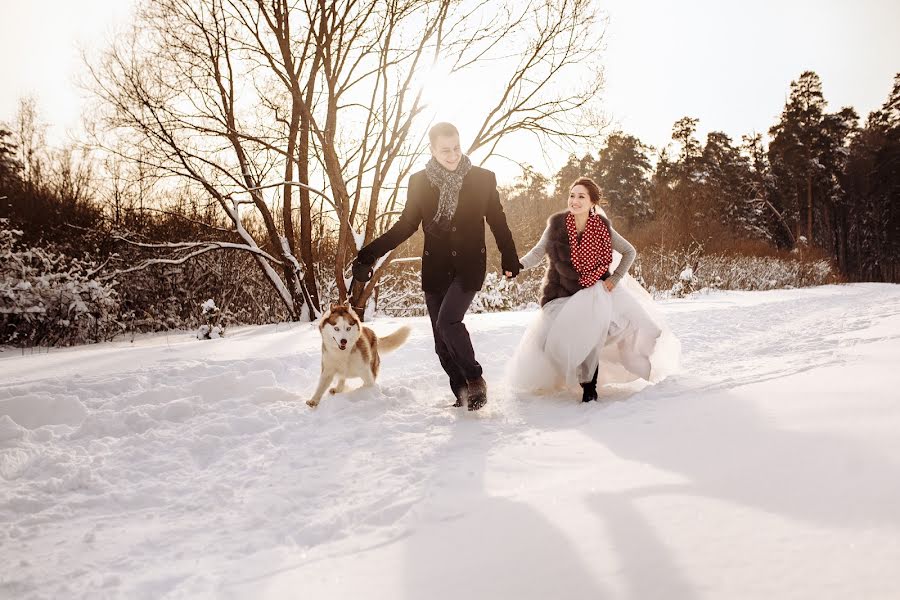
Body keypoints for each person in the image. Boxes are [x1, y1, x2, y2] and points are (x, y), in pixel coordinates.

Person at [352, 122, 520, 411]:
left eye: (456, 148)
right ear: (431, 149)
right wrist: (368, 255)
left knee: (448, 322)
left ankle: (475, 379)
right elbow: (405, 226)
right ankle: (462, 393)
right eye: (445, 151)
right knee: (441, 341)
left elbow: (498, 221)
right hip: (435, 267)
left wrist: (509, 255)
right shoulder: (419, 182)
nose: (453, 155)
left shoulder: (482, 179)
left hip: (469, 265)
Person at [509, 177, 679, 401]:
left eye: (581, 197)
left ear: (592, 203)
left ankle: (590, 387)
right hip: (562, 294)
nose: (575, 200)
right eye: (572, 195)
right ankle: (579, 379)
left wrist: (615, 278)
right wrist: (516, 265)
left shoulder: (601, 227)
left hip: (597, 289)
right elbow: (538, 253)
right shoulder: (556, 225)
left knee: (610, 324)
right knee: (559, 338)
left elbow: (630, 252)